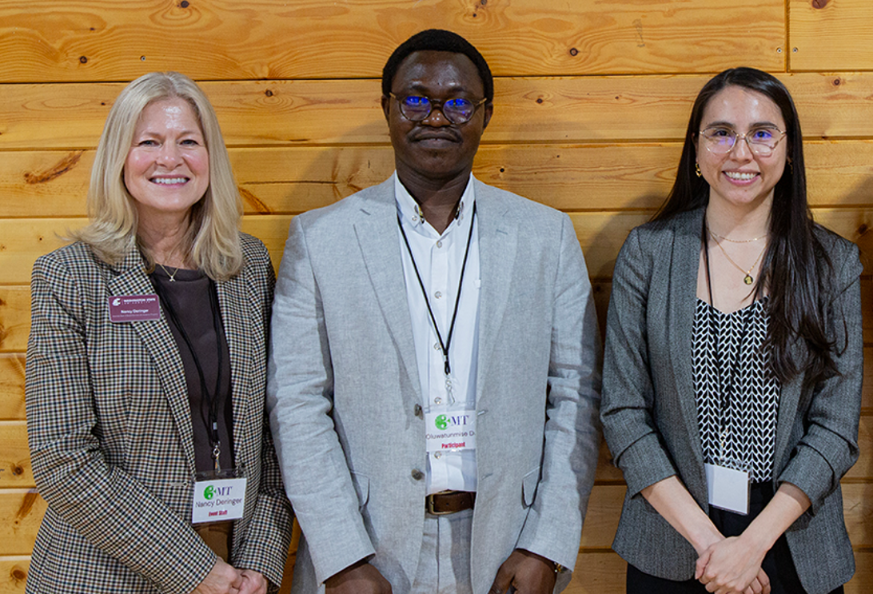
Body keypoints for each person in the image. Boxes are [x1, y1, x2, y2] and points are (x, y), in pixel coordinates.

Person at [267, 29, 601, 594]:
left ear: (485, 114)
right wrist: (343, 556)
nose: (436, 117)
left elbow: (578, 393)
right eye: (416, 98)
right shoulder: (321, 238)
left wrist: (546, 543)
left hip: (508, 547)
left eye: (458, 101)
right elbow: (296, 404)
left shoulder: (546, 235)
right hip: (369, 550)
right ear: (388, 108)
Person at [25, 71, 293, 594]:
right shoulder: (70, 276)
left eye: (187, 142)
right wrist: (195, 571)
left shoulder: (249, 268)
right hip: (106, 575)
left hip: (238, 569)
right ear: (119, 158)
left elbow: (278, 429)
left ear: (209, 156)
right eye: (149, 142)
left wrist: (261, 557)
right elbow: (63, 458)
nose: (169, 159)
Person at [600, 66, 862, 594]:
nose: (741, 152)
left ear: (788, 151)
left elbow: (835, 427)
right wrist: (712, 545)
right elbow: (623, 412)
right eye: (721, 133)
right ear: (695, 151)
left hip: (789, 540)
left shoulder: (833, 263)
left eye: (762, 134)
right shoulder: (648, 254)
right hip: (674, 541)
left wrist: (750, 546)